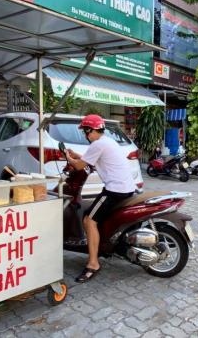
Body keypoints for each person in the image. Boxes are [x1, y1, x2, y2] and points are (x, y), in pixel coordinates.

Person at [64, 114, 136, 283]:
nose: (85, 135)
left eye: (85, 131)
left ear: (90, 130)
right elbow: (89, 159)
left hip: (115, 190)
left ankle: (93, 263)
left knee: (89, 220)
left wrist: (69, 158)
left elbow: (80, 166)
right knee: (92, 214)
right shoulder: (108, 141)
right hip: (125, 188)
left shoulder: (98, 144)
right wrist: (76, 154)